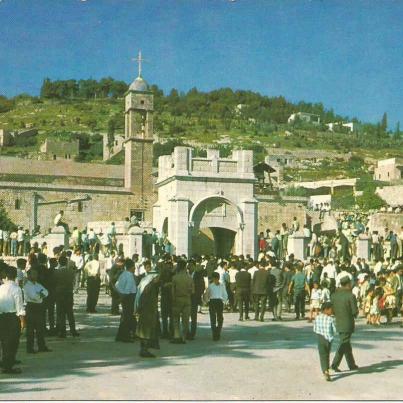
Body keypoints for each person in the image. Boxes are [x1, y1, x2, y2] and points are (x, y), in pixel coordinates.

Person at [0, 266, 25, 374]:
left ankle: (5, 362)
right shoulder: (17, 289)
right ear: (15, 276)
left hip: (1, 316)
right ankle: (8, 366)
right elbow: (20, 307)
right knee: (12, 342)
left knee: (3, 341)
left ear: (6, 276)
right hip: (12, 317)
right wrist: (23, 321)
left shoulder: (1, 288)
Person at [330, 276, 359, 372]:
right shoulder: (351, 296)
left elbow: (332, 311)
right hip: (348, 323)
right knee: (344, 343)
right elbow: (355, 312)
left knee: (346, 343)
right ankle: (334, 364)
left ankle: (351, 364)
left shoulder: (334, 295)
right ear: (348, 284)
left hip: (338, 322)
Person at [135, 260, 160, 358]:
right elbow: (144, 299)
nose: (158, 279)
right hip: (147, 310)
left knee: (144, 329)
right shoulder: (149, 286)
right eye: (156, 277)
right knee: (146, 330)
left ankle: (144, 349)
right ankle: (144, 350)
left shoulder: (147, 284)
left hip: (146, 310)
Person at [23, 268, 51, 353]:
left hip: (39, 307)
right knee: (30, 329)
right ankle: (30, 348)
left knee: (40, 328)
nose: (35, 275)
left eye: (36, 274)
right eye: (33, 274)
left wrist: (40, 294)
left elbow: (46, 292)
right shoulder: (27, 286)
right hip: (31, 307)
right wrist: (40, 294)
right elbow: (34, 297)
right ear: (29, 275)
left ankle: (41, 346)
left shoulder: (38, 285)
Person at [54, 255, 79, 338]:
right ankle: (73, 330)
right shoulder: (71, 272)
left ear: (59, 262)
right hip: (68, 293)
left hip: (59, 293)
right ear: (66, 262)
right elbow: (74, 281)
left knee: (60, 313)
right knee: (70, 312)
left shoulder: (56, 272)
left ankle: (62, 331)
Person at [171, 260, 194, 344]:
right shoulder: (190, 278)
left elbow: (172, 291)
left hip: (177, 299)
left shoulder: (175, 278)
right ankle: (184, 337)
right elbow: (193, 291)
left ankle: (177, 336)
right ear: (185, 267)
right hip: (187, 299)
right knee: (186, 319)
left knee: (176, 319)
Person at [313, 302, 337, 382]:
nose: (332, 311)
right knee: (327, 354)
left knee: (322, 355)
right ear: (326, 310)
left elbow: (315, 329)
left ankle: (325, 370)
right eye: (331, 310)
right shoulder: (331, 319)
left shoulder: (317, 317)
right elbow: (334, 329)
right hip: (329, 339)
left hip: (320, 338)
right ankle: (327, 368)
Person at [115, 258, 137, 343]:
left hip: (124, 297)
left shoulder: (123, 274)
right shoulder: (130, 276)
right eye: (134, 267)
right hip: (129, 298)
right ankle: (124, 336)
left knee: (129, 317)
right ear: (131, 267)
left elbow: (117, 286)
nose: (135, 269)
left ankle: (133, 333)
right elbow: (127, 291)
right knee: (127, 318)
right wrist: (121, 299)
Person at [203, 272, 228, 341]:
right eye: (215, 278)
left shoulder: (219, 285)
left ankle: (217, 331)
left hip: (218, 301)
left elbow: (224, 294)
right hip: (214, 301)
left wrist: (225, 301)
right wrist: (206, 301)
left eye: (216, 278)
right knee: (213, 318)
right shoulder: (212, 286)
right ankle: (215, 333)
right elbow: (207, 294)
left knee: (219, 318)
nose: (216, 280)